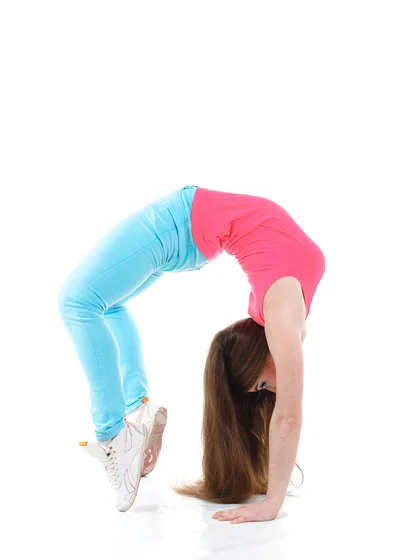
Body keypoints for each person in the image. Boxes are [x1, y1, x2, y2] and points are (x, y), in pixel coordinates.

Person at [57, 184, 326, 517]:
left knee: (77, 303)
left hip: (182, 226)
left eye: (260, 387)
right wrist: (272, 502)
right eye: (261, 386)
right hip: (184, 226)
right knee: (102, 305)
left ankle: (115, 433)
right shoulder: (283, 319)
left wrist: (271, 504)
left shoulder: (283, 313)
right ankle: (133, 414)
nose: (273, 388)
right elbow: (288, 415)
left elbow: (287, 416)